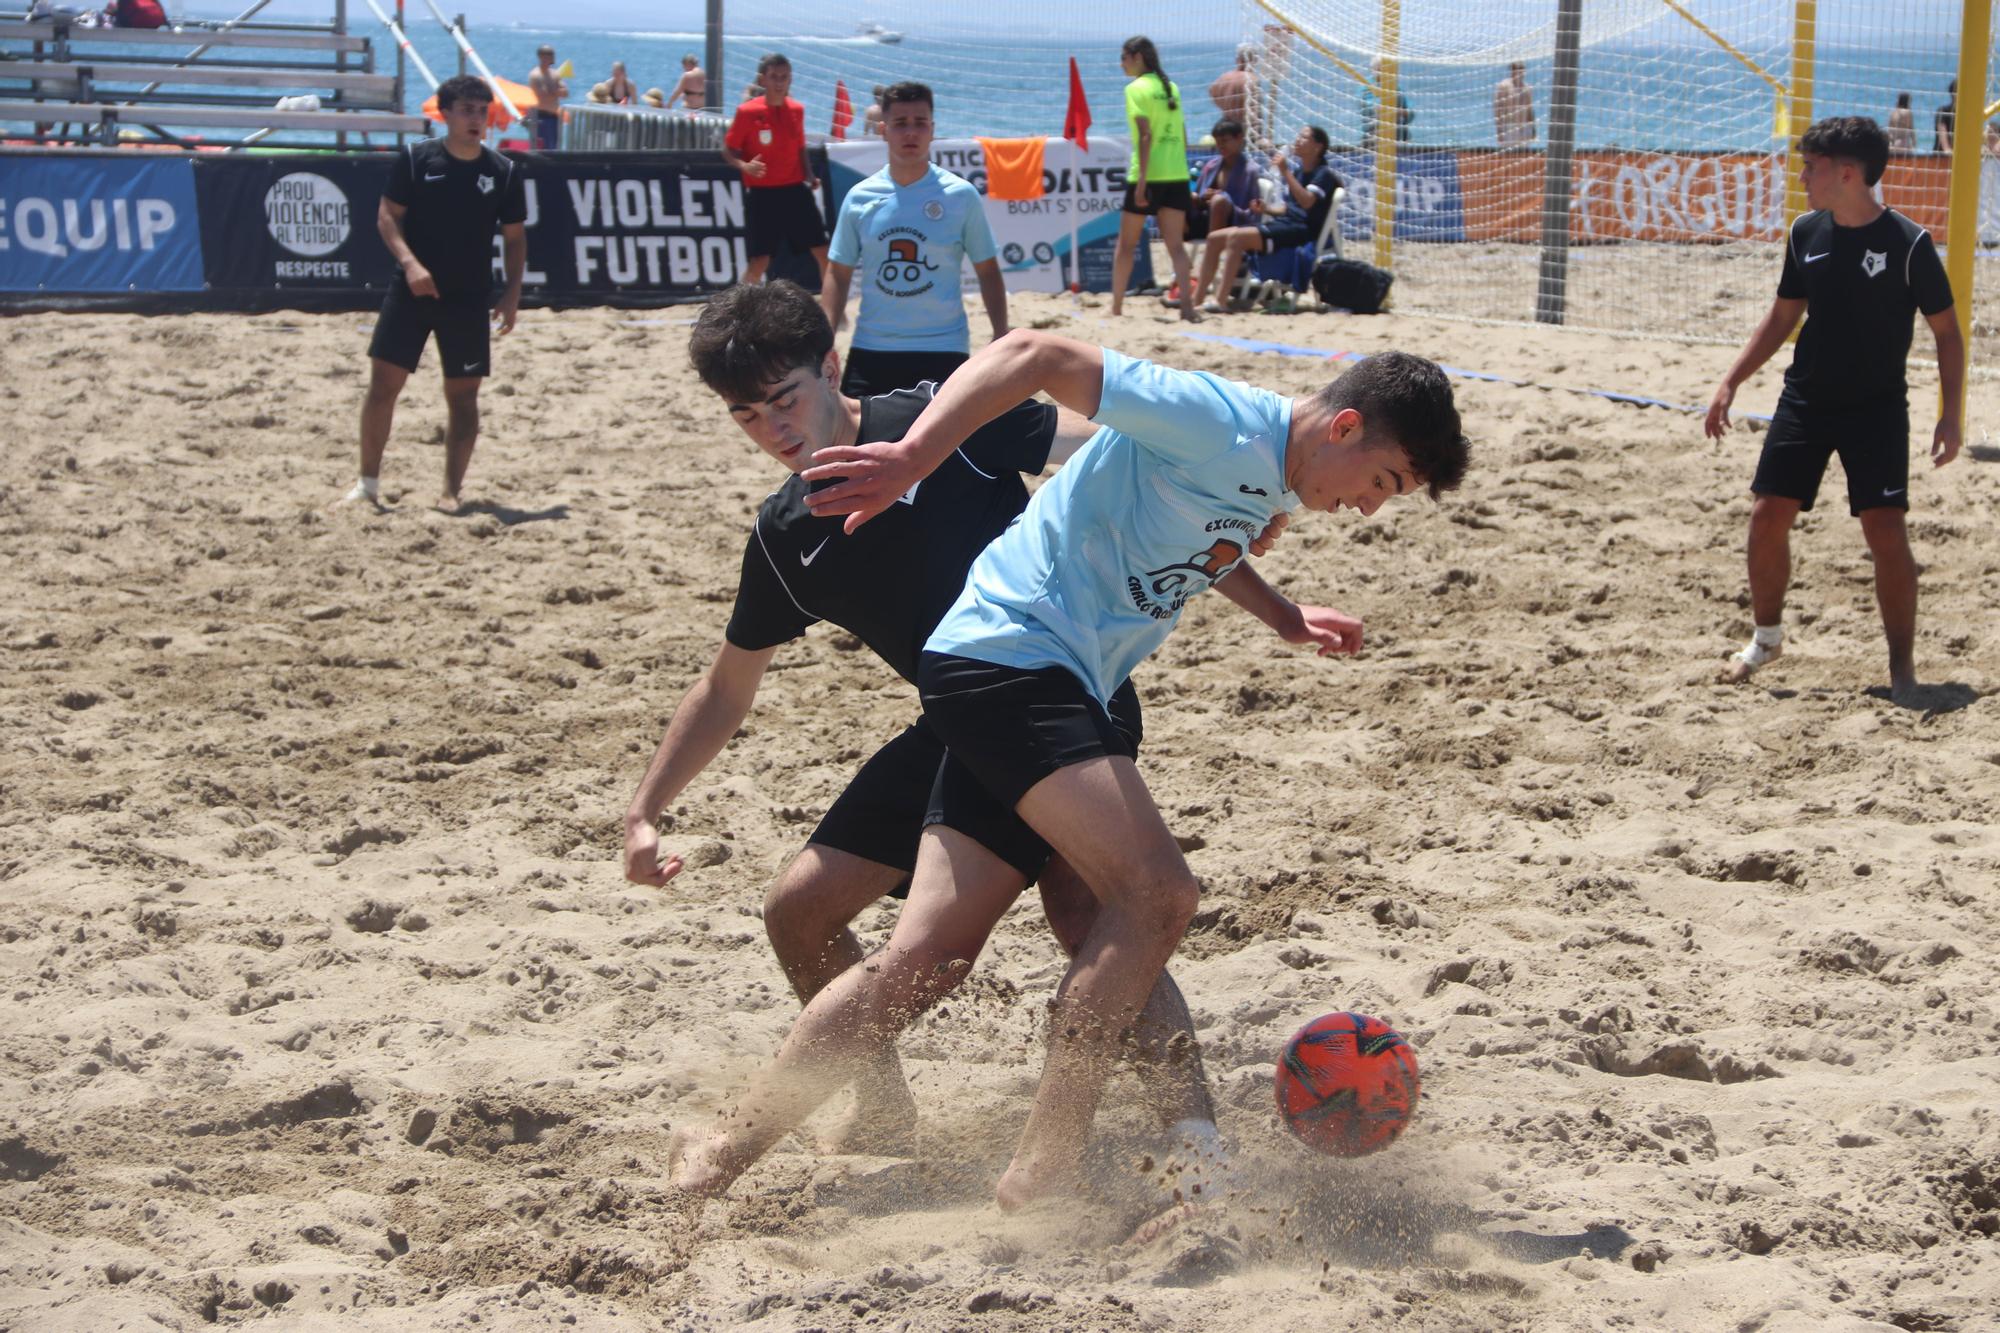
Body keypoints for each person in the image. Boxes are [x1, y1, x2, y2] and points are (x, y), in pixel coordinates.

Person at [670, 332, 1470, 1209]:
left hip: (1025, 668)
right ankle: (1042, 1168)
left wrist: (1281, 615)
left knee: (928, 957)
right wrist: (910, 457)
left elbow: (1192, 534)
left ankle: (715, 1154)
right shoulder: (1221, 419)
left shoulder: (1268, 470)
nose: (1369, 508)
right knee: (1158, 894)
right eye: (1383, 483)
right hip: (1016, 659)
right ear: (1347, 427)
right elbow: (1036, 352)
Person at [638, 282, 1257, 1185]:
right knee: (798, 909)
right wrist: (647, 807)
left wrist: (1241, 517)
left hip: (1064, 690)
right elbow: (728, 687)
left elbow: (1123, 458)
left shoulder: (939, 417)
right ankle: (879, 1097)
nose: (773, 428)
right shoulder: (786, 537)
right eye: (746, 415)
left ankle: (1195, 1141)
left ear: (832, 370)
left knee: (1088, 908)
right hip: (958, 719)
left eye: (786, 399)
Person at [1703, 116, 1962, 706]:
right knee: (1767, 515)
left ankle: (1902, 670)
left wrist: (1950, 414)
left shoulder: (1909, 243)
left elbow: (1946, 332)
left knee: (1885, 532)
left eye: (1811, 166)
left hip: (1876, 408)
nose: (1802, 175)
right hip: (1807, 399)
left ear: (1847, 173)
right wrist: (1731, 380)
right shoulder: (1805, 232)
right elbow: (1783, 316)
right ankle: (1766, 639)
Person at [344, 75, 527, 514]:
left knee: (463, 397)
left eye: (482, 111)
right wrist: (410, 264)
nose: (476, 119)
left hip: (468, 298)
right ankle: (367, 484)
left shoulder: (501, 172)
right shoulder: (416, 159)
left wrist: (511, 293)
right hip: (410, 292)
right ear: (444, 114)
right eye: (467, 110)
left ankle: (451, 492)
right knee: (383, 387)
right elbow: (387, 216)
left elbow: (516, 238)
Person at [821, 82, 1007, 397]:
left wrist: (1000, 333)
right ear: (883, 130)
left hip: (944, 349)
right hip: (872, 348)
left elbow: (987, 269)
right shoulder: (860, 197)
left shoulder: (960, 195)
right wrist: (824, 341)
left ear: (932, 129)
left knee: (945, 447)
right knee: (857, 444)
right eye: (900, 124)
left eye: (920, 123)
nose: (911, 132)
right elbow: (838, 273)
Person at [1189, 124, 1339, 312]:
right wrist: (1267, 209)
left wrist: (1285, 172)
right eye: (1298, 136)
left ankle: (1221, 300)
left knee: (1236, 238)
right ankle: (1196, 300)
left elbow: (1307, 202)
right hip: (1286, 224)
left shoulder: (1323, 174)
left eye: (1304, 137)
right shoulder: (1300, 172)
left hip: (1301, 231)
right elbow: (1289, 207)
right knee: (1214, 238)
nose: (1297, 140)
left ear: (1318, 146)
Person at [722, 53, 829, 288]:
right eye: (774, 77)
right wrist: (745, 166)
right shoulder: (747, 112)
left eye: (784, 77)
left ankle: (833, 311)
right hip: (762, 194)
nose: (779, 82)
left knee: (823, 252)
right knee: (760, 261)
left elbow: (800, 146)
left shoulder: (797, 110)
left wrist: (809, 175)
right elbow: (728, 150)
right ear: (763, 80)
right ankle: (737, 310)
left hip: (794, 190)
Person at [1111, 35, 1196, 322]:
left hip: (1148, 174)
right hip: (1176, 173)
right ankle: (1187, 308)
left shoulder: (1135, 89)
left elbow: (1145, 136)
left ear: (1137, 57)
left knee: (1126, 245)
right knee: (1175, 246)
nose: (1121, 63)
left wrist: (1143, 183)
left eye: (1123, 57)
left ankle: (1117, 308)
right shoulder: (1170, 87)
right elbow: (1183, 136)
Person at [1184, 117, 1261, 245]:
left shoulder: (1250, 171)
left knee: (1219, 200)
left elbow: (1252, 210)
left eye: (1225, 140)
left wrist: (1221, 197)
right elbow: (1199, 196)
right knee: (1184, 196)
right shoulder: (1211, 166)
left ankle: (1214, 245)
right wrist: (1204, 197)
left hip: (1235, 221)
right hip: (1206, 216)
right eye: (1218, 141)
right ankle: (1183, 240)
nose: (1220, 145)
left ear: (1239, 138)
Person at [1362, 58, 1412, 150]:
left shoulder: (1397, 89)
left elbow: (1410, 112)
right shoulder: (1367, 88)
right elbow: (1373, 108)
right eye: (1380, 69)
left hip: (1399, 137)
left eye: (1388, 69)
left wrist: (1402, 112)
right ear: (1373, 70)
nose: (1384, 73)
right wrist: (1393, 111)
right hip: (1375, 137)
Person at [525, 45, 567, 150]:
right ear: (542, 56)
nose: (553, 57)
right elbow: (542, 94)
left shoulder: (555, 74)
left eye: (552, 54)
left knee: (554, 147)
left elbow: (565, 93)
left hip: (554, 117)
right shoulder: (535, 74)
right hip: (540, 117)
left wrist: (552, 91)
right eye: (550, 54)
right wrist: (555, 91)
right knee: (541, 147)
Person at [1493, 61, 1534, 147]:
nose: (1521, 72)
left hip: (1524, 127)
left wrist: (1533, 128)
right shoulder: (1504, 86)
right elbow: (1498, 109)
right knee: (1508, 155)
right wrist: (1499, 130)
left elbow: (1530, 110)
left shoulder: (1527, 87)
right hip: (1509, 127)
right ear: (1512, 71)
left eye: (1522, 69)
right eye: (1517, 69)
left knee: (1524, 155)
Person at [1209, 45, 1252, 125]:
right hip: (1245, 124)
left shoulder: (1224, 77)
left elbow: (1211, 90)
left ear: (1237, 60)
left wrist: (1224, 107)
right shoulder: (1252, 78)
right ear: (1254, 60)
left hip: (1227, 121)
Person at [1935, 79, 1957, 153]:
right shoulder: (1943, 111)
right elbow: (1942, 131)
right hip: (1941, 157)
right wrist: (1947, 149)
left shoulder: (1968, 114)